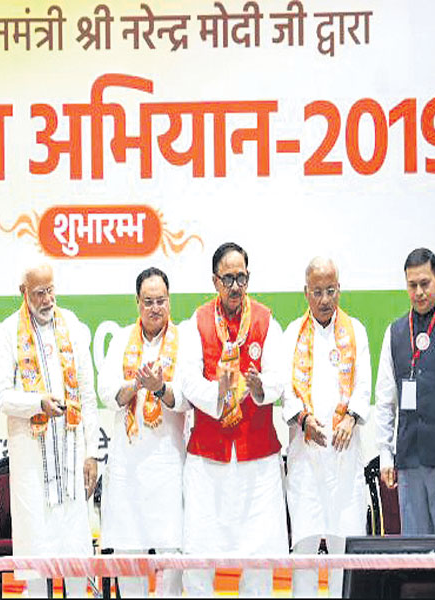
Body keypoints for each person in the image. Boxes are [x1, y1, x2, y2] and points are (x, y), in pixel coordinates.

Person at [180, 242, 288, 597]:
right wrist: (221, 392)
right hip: (208, 457)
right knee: (199, 556)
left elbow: (279, 377)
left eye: (241, 278)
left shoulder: (266, 320)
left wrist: (258, 387)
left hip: (257, 457)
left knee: (259, 558)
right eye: (228, 279)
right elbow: (188, 381)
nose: (235, 286)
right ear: (215, 281)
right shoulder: (196, 322)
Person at [0, 263, 100, 598]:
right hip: (32, 466)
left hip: (71, 461)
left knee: (76, 556)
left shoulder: (74, 327)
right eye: (39, 293)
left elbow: (87, 395)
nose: (47, 299)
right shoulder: (9, 332)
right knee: (36, 560)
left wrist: (92, 453)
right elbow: (1, 397)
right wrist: (37, 403)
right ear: (23, 292)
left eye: (51, 290)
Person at [282, 257, 371, 598]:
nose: (324, 299)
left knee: (344, 551)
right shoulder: (292, 333)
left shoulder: (356, 330)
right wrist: (304, 420)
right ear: (305, 292)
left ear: (339, 290)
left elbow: (363, 385)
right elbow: (286, 390)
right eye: (317, 291)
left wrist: (351, 418)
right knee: (304, 551)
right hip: (306, 457)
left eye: (330, 291)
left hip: (344, 459)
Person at [97, 266, 187, 597]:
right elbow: (107, 393)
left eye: (161, 300)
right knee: (127, 552)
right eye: (148, 301)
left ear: (169, 300)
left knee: (171, 552)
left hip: (167, 462)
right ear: (137, 302)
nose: (155, 308)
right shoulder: (122, 339)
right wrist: (136, 384)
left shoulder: (185, 340)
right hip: (128, 465)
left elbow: (186, 398)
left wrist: (159, 388)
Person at [375, 247, 435, 535]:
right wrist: (386, 454)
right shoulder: (395, 332)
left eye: (425, 283)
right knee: (415, 550)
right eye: (412, 285)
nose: (419, 292)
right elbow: (385, 399)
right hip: (409, 461)